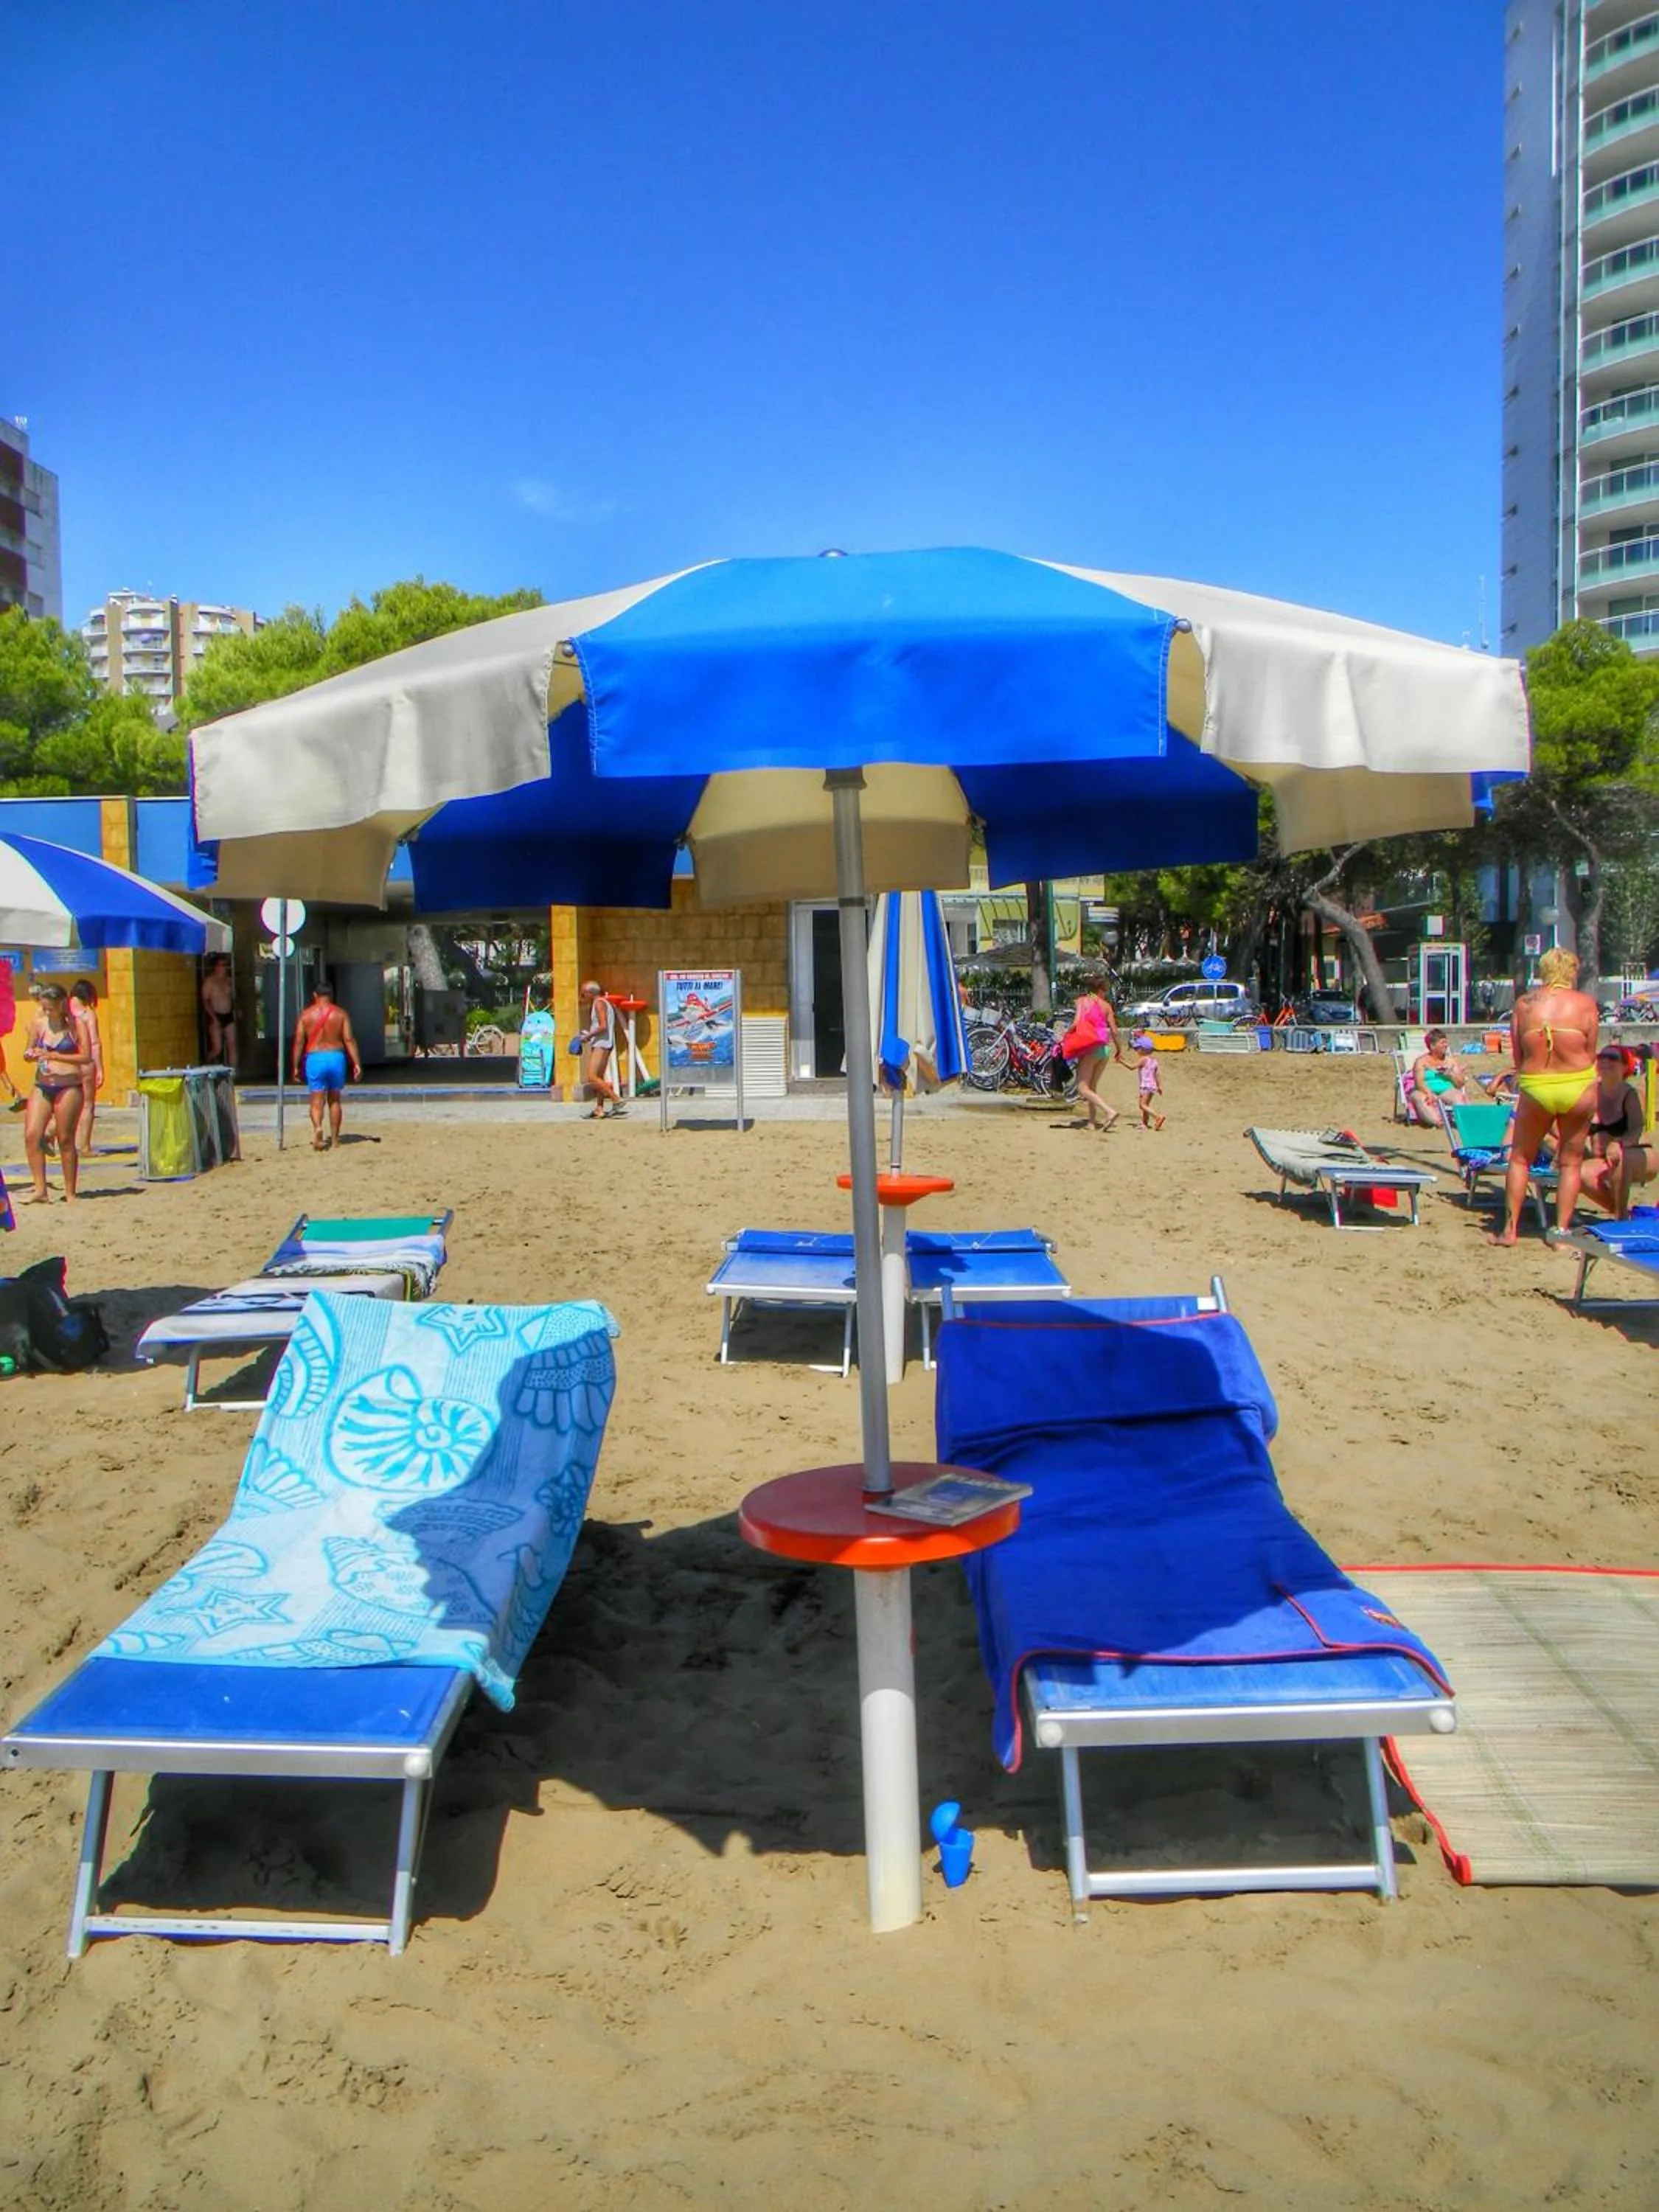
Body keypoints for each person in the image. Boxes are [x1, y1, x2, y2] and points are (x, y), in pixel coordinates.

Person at [1491, 945, 1601, 1247]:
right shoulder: (1585, 1003)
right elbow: (1591, 1052)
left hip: (1538, 1084)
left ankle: (1510, 1231)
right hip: (1577, 1084)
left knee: (1520, 1158)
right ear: (1571, 972)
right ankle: (1560, 1234)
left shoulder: (1525, 1004)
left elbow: (1517, 1054)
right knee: (1571, 1161)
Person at [19, 983, 91, 1204]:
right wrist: (30, 1054)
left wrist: (54, 1056)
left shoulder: (76, 1025)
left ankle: (70, 1192)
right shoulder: (39, 1024)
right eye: (44, 1008)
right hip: (43, 1084)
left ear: (61, 1004)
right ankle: (40, 1189)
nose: (47, 1012)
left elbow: (86, 1057)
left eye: (50, 1008)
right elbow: (28, 1050)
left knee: (65, 1138)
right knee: (32, 1134)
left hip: (69, 1085)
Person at [1579, 1045, 1656, 1220]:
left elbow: (1636, 1130)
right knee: (1579, 1174)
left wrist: (1619, 1143)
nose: (1605, 1061)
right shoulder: (1591, 1093)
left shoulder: (1632, 1094)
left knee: (1621, 1159)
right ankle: (1621, 1213)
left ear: (1625, 1066)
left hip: (1639, 1154)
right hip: (1605, 1159)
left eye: (1613, 1058)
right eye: (1602, 1057)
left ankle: (1621, 1216)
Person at [291, 976, 361, 1151]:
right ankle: (336, 1139)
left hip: (315, 1058)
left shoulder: (306, 1016)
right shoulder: (340, 1014)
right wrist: (357, 1063)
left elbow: (299, 1042)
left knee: (316, 1099)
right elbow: (349, 1039)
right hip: (336, 1057)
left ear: (315, 995)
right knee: (335, 1099)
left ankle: (318, 1128)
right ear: (331, 995)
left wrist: (295, 1065)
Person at [1058, 986, 1125, 1131]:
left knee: (1082, 1088)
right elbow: (1114, 1031)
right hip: (1104, 1049)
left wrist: (1065, 1036)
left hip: (1090, 1048)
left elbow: (1076, 1023)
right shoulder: (1106, 1006)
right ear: (1101, 990)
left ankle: (1109, 1111)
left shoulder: (1082, 1002)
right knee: (1092, 1088)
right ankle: (1092, 1122)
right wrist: (1120, 1050)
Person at [576, 979, 624, 1119]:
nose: (582, 996)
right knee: (599, 1078)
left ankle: (616, 1099)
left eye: (584, 993)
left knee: (592, 1077)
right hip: (605, 1043)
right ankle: (599, 1108)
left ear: (591, 993)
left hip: (601, 1044)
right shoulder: (604, 1003)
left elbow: (603, 1026)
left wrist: (588, 1036)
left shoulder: (599, 1004)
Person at [1408, 1029, 1475, 1127]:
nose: (1446, 1045)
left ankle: (1464, 1121)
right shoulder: (1421, 1061)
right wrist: (1429, 1093)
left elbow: (1460, 1084)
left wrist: (1451, 1075)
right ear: (1432, 1046)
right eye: (1442, 1043)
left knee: (1458, 1096)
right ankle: (1437, 1121)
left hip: (1445, 1090)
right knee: (1420, 1099)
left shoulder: (1450, 1061)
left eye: (1446, 1042)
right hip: (1424, 1090)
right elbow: (1419, 1083)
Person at [69, 979, 104, 1157]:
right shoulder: (87, 1014)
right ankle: (84, 1147)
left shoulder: (64, 1012)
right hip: (84, 1063)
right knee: (87, 1104)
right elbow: (95, 1042)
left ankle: (50, 1134)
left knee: (67, 1106)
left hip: (66, 1064)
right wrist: (99, 1068)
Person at [201, 954, 237, 1068]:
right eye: (222, 965)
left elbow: (232, 998)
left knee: (232, 1045)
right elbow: (205, 1001)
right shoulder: (210, 981)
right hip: (216, 1015)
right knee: (217, 1048)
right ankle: (206, 1062)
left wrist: (236, 1009)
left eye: (225, 965)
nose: (224, 968)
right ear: (216, 967)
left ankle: (233, 1071)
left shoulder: (228, 981)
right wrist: (213, 1017)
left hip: (228, 1014)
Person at [1133, 1033, 1166, 1130]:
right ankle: (1144, 1124)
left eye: (1137, 1049)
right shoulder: (1154, 1061)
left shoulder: (1143, 1059)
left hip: (1145, 1086)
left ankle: (1158, 1117)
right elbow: (1157, 1075)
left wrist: (1121, 1061)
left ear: (1143, 1050)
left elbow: (1132, 1067)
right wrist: (1159, 1086)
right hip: (1152, 1086)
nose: (1136, 1051)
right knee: (1145, 1105)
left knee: (1142, 1105)